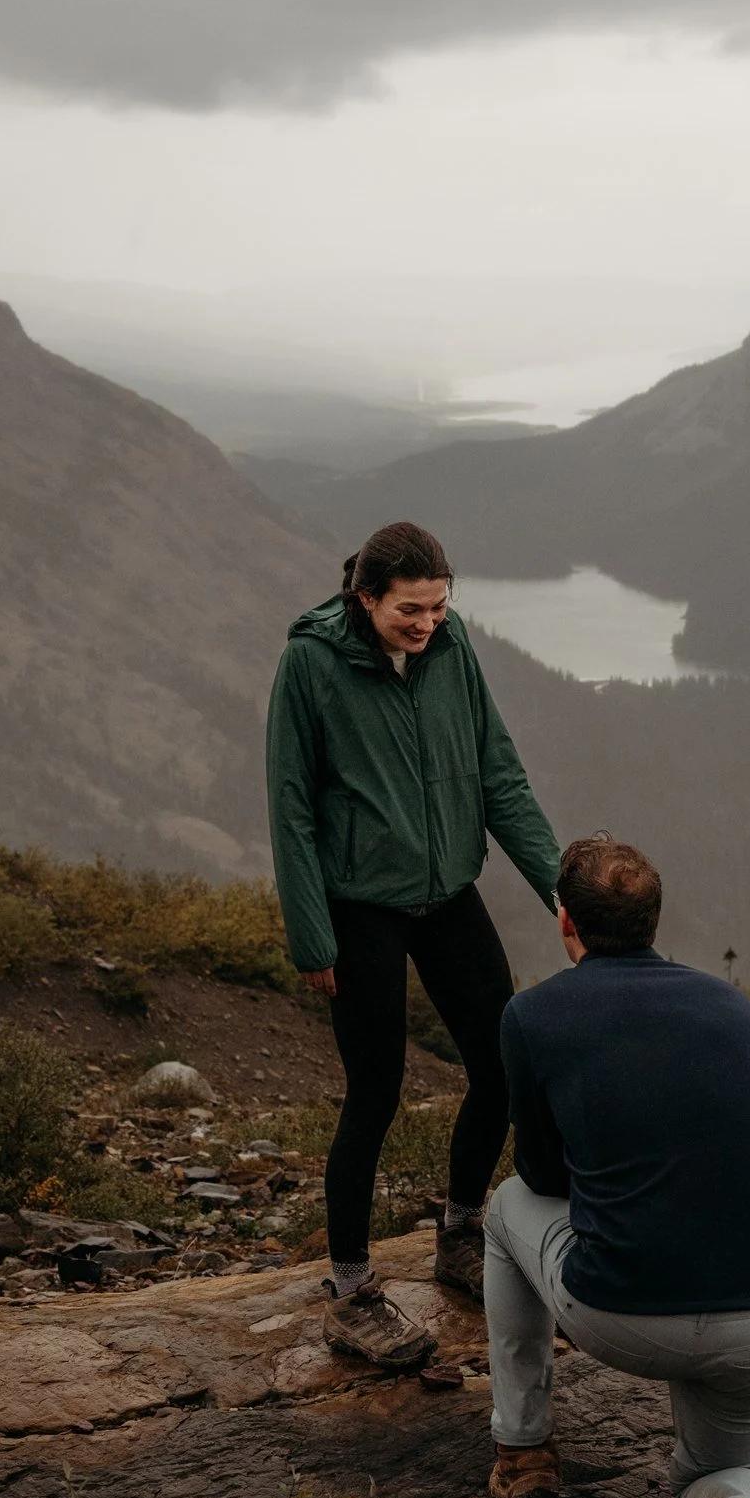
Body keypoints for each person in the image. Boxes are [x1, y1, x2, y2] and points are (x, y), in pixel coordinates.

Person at [483, 836, 750, 1498]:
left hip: (621, 1314)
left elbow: (544, 1174)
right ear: (656, 919)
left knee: (501, 1209)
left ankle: (524, 1454)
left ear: (565, 920)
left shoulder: (532, 1014)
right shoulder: (730, 1005)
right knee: (722, 1467)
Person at [266, 521, 560, 1369]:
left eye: (438, 607)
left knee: (502, 1060)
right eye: (409, 610)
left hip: (445, 892)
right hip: (358, 905)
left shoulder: (450, 648)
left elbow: (496, 770)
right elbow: (289, 802)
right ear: (364, 597)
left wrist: (559, 894)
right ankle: (351, 1293)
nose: (426, 624)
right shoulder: (311, 664)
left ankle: (460, 1235)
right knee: (376, 1090)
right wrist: (310, 933)